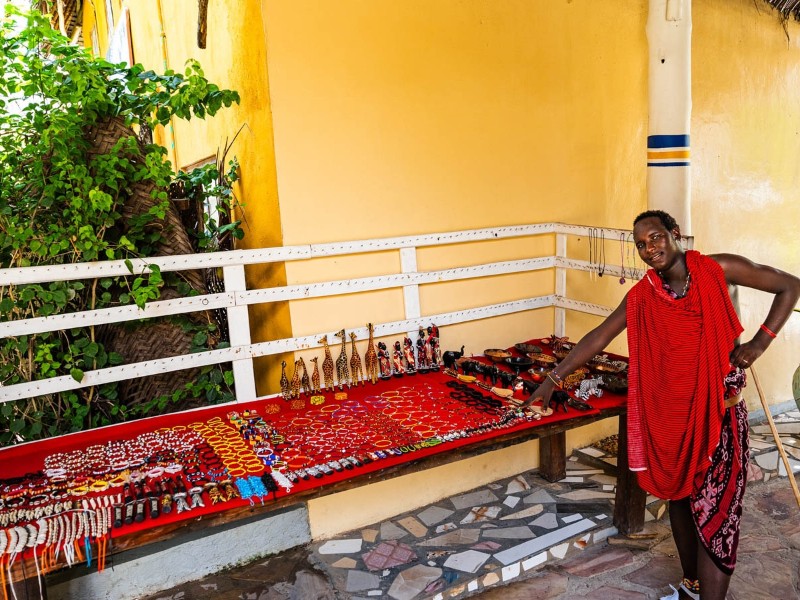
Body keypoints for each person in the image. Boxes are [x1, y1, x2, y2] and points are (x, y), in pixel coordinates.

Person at [524, 210, 800, 600]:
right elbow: (600, 335)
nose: (649, 248)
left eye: (655, 238)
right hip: (675, 417)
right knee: (682, 499)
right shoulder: (644, 294)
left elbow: (790, 286)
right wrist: (551, 381)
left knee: (717, 512)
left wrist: (759, 343)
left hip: (719, 415)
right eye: (640, 244)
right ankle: (691, 586)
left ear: (674, 235)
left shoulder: (717, 268)